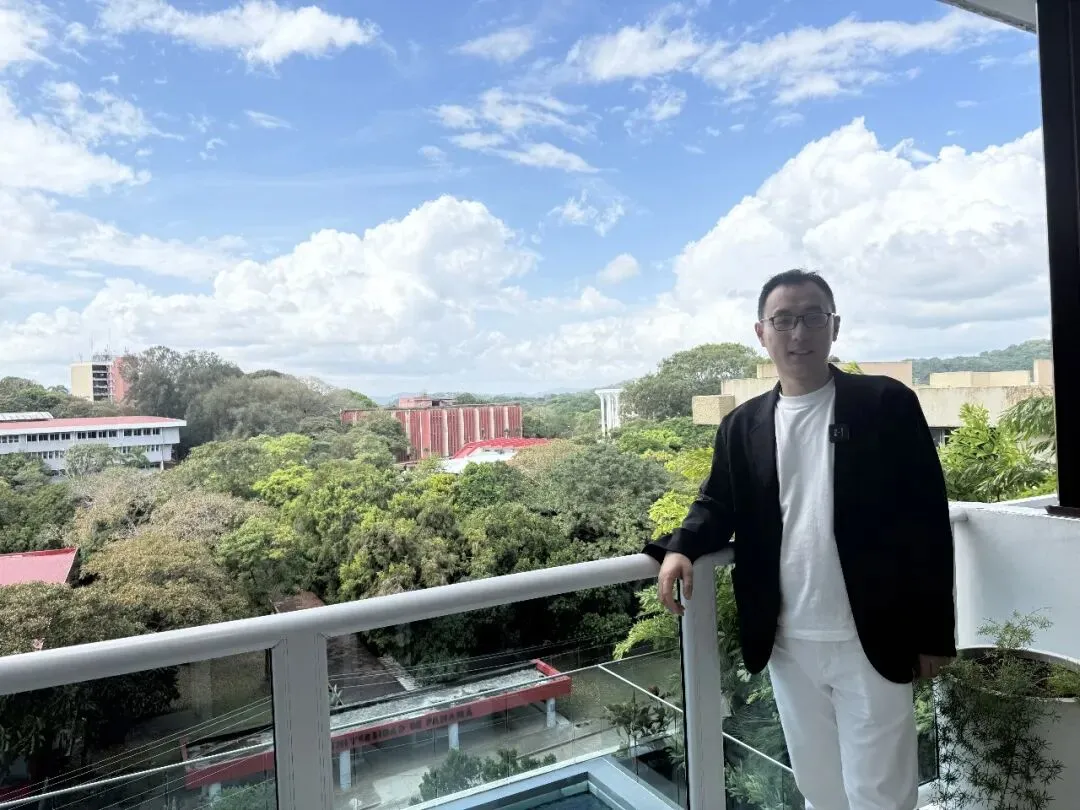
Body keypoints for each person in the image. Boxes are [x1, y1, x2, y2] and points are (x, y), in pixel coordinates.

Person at [645, 269, 956, 810]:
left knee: (881, 793)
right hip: (787, 639)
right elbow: (717, 503)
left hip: (874, 633)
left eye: (813, 317)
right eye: (783, 320)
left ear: (835, 326)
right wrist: (679, 548)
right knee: (819, 788)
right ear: (761, 332)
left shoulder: (885, 404)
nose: (799, 333)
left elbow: (926, 518)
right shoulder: (742, 426)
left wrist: (933, 634)